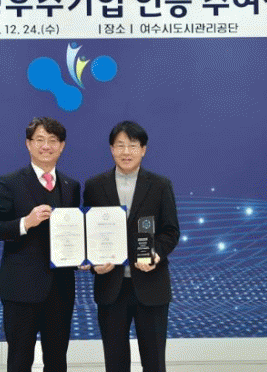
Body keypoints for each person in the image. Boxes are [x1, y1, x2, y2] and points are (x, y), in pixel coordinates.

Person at [0, 117, 80, 372]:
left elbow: (73, 233)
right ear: (28, 144)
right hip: (20, 290)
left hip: (60, 290)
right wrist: (26, 222)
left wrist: (82, 257)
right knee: (19, 361)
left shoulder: (71, 186)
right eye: (39, 140)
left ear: (62, 146)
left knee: (57, 362)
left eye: (52, 140)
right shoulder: (10, 182)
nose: (46, 146)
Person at [83, 121, 180, 372]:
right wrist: (93, 264)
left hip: (151, 286)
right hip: (111, 287)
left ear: (143, 150)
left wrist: (155, 254)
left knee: (154, 362)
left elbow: (171, 231)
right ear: (111, 149)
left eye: (133, 145)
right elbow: (89, 234)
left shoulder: (160, 185)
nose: (126, 152)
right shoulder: (94, 186)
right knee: (115, 363)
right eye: (120, 145)